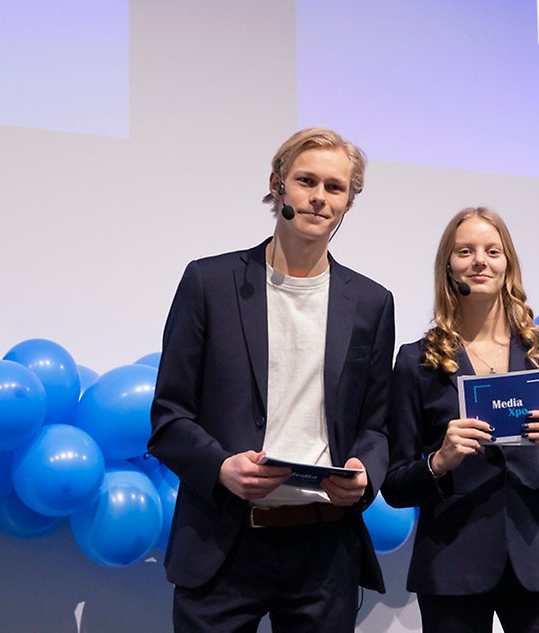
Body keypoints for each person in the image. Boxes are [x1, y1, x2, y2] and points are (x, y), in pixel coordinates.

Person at [148, 128, 395, 632]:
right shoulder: (208, 282)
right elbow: (169, 417)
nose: (319, 198)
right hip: (224, 540)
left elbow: (376, 426)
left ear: (349, 201)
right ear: (277, 184)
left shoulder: (372, 303)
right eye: (306, 181)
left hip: (325, 551)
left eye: (334, 187)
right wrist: (220, 468)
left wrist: (365, 472)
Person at [381, 207, 539, 633]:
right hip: (452, 566)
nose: (480, 260)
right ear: (448, 266)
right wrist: (439, 461)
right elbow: (396, 485)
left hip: (538, 563)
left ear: (507, 264)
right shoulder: (417, 362)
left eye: (493, 251)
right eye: (465, 251)